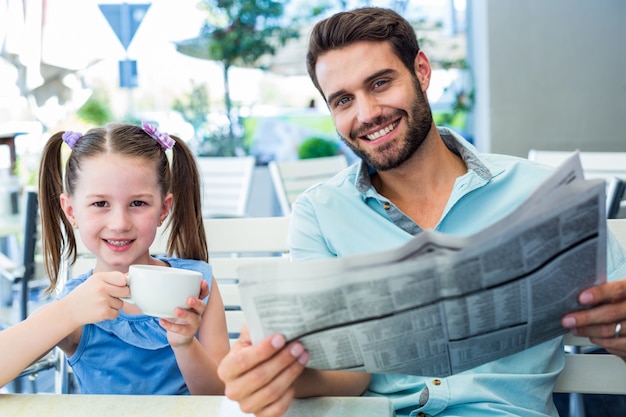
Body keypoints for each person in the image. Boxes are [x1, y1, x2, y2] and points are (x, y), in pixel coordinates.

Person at [217, 7, 626, 417]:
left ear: (422, 71)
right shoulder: (319, 213)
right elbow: (348, 372)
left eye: (380, 83)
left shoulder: (542, 191)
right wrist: (274, 373)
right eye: (343, 100)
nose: (367, 114)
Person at [0, 122, 230, 394]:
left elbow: (222, 398)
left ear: (163, 208)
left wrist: (184, 344)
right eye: (100, 204)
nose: (119, 223)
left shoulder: (196, 285)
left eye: (137, 203)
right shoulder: (76, 304)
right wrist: (69, 312)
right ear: (71, 210)